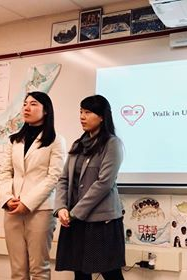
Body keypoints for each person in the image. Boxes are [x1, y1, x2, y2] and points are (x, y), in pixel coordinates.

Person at [54, 95, 125, 280]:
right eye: (80, 112)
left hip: (102, 222)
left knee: (111, 273)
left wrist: (75, 212)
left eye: (87, 112)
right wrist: (61, 207)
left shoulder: (112, 144)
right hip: (75, 220)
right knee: (80, 273)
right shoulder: (78, 144)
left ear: (102, 116)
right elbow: (63, 178)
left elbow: (104, 183)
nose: (82, 117)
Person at [0, 91, 66, 280]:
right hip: (12, 209)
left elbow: (54, 177)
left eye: (34, 104)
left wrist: (27, 202)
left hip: (40, 210)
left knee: (39, 270)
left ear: (46, 111)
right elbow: (4, 173)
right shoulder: (14, 140)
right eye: (25, 104)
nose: (27, 107)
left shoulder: (56, 140)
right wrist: (7, 198)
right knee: (17, 271)